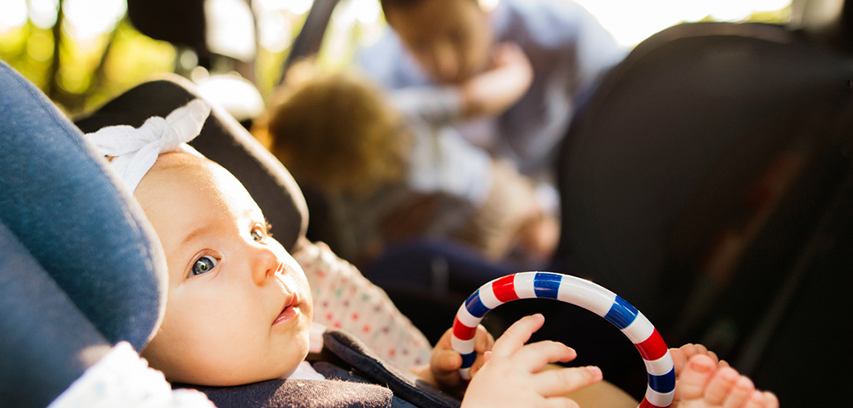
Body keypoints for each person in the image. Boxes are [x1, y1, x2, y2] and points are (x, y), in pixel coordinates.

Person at [71, 99, 778, 408]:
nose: (268, 260)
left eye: (258, 232)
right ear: (133, 340)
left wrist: (435, 374)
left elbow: (375, 391)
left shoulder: (314, 350)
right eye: (203, 263)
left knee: (563, 382)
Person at [356, 0, 627, 221]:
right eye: (419, 45)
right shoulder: (377, 84)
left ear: (485, 7)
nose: (445, 64)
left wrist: (552, 211)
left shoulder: (563, 34)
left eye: (457, 35)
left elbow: (627, 128)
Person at [264, 70, 557, 268]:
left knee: (507, 268)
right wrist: (516, 72)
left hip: (462, 237)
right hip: (486, 196)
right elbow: (475, 99)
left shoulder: (345, 192)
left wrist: (388, 239)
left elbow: (361, 254)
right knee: (543, 241)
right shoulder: (402, 113)